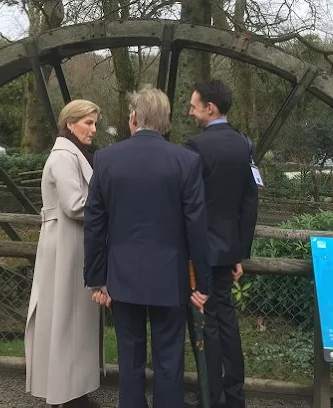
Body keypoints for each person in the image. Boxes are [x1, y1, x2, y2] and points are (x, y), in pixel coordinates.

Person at [83, 84, 211, 408]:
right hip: (171, 278)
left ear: (133, 118)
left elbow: (95, 225)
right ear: (165, 121)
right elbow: (197, 226)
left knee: (130, 358)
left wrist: (97, 277)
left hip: (122, 276)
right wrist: (203, 282)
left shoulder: (106, 159)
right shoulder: (187, 161)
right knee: (169, 360)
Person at [25, 99, 105, 408]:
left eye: (94, 123)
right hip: (67, 246)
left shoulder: (72, 153)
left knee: (70, 318)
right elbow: (75, 206)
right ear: (70, 123)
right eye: (88, 122)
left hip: (71, 244)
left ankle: (72, 389)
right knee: (66, 317)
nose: (93, 129)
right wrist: (111, 206)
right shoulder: (63, 156)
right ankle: (68, 393)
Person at [185, 80, 258, 408]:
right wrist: (240, 252)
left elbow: (189, 205)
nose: (190, 111)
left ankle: (211, 398)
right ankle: (235, 396)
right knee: (228, 323)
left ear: (210, 107)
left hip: (202, 252)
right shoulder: (244, 144)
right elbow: (250, 201)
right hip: (228, 249)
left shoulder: (195, 147)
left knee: (208, 326)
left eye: (193, 105)